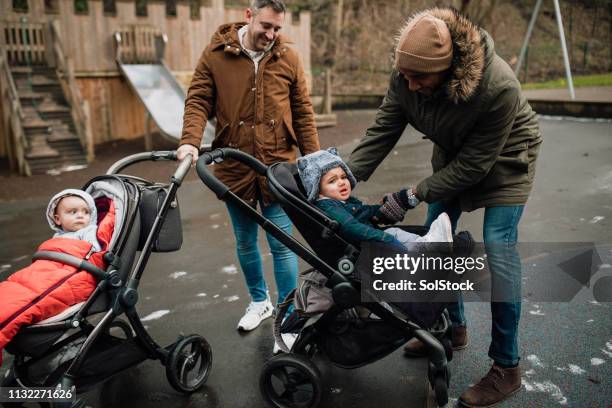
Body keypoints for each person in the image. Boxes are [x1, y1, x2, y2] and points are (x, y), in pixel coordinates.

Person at [347, 8, 542, 408]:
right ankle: (452, 328)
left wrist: (411, 194)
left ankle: (507, 367)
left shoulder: (498, 85)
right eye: (405, 76)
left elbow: (476, 165)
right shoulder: (407, 74)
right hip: (454, 154)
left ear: (449, 68)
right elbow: (384, 127)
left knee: (497, 247)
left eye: (420, 78)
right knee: (438, 241)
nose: (410, 84)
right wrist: (343, 176)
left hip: (506, 159)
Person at [177, 0, 320, 336]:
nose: (271, 34)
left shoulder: (288, 58)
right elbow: (197, 100)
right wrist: (189, 141)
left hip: (277, 167)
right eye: (265, 26)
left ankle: (288, 316)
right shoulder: (216, 55)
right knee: (244, 241)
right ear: (248, 16)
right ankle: (259, 302)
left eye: (277, 29)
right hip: (234, 166)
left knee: (282, 243)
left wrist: (315, 162)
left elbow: (303, 112)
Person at [1, 190, 114, 365]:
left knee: (23, 304)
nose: (80, 216)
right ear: (57, 219)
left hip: (74, 273)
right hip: (46, 268)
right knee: (13, 289)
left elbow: (95, 251)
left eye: (86, 212)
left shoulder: (89, 231)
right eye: (73, 212)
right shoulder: (58, 236)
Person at [297, 148, 453, 251]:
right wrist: (384, 238)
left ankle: (426, 244)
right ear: (318, 190)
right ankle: (426, 248)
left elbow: (364, 213)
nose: (341, 182)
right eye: (332, 181)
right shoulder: (328, 207)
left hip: (372, 241)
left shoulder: (342, 201)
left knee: (395, 231)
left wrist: (386, 208)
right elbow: (351, 227)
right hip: (367, 248)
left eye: (344, 177)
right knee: (393, 235)